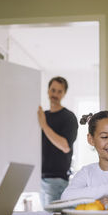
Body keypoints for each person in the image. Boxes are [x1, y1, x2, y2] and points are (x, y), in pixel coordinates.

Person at [37, 76, 78, 206]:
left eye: (59, 91)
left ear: (64, 94)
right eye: (53, 90)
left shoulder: (69, 117)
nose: (55, 94)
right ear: (48, 91)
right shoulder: (44, 115)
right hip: (40, 178)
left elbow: (65, 146)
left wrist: (43, 125)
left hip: (56, 179)